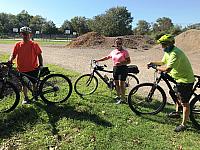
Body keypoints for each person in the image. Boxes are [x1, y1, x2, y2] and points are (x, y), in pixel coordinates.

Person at [148, 34, 195, 132]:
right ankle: (177, 112)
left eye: (164, 44)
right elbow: (162, 62)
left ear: (170, 44)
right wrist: (152, 63)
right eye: (162, 45)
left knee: (185, 103)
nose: (162, 47)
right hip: (178, 78)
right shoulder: (168, 52)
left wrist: (156, 68)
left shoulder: (175, 53)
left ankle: (183, 125)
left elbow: (167, 69)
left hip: (185, 80)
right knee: (174, 93)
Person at [9, 26, 43, 104]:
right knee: (24, 84)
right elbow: (13, 54)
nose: (25, 35)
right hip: (22, 69)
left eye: (27, 34)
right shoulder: (18, 44)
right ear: (21, 34)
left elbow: (39, 55)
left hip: (33, 68)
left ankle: (35, 95)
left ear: (30, 34)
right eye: (24, 34)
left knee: (34, 83)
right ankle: (26, 98)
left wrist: (41, 64)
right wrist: (10, 59)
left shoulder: (34, 44)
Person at [95, 37, 131, 104]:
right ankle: (118, 96)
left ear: (122, 44)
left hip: (123, 68)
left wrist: (121, 63)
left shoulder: (125, 52)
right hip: (115, 68)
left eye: (119, 43)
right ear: (115, 44)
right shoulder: (113, 51)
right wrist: (98, 60)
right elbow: (107, 57)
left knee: (121, 84)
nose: (118, 45)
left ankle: (123, 98)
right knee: (116, 84)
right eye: (117, 43)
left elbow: (129, 61)